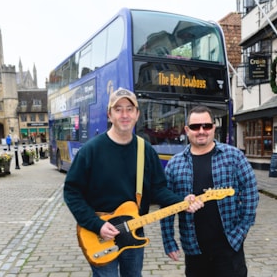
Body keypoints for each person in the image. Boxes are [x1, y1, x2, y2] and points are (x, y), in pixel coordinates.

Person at [63, 87, 203, 277]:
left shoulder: (144, 150)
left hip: (134, 230)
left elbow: (158, 189)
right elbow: (72, 192)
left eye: (129, 109)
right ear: (109, 115)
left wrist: (182, 202)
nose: (124, 114)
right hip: (101, 233)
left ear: (137, 114)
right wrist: (97, 225)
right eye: (118, 109)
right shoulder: (91, 151)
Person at [160, 105, 259, 277]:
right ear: (186, 130)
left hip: (229, 246)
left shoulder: (233, 156)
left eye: (206, 126)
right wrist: (169, 241)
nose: (201, 131)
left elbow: (251, 192)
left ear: (214, 127)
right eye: (195, 127)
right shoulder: (175, 164)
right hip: (194, 248)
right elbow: (167, 205)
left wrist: (241, 230)